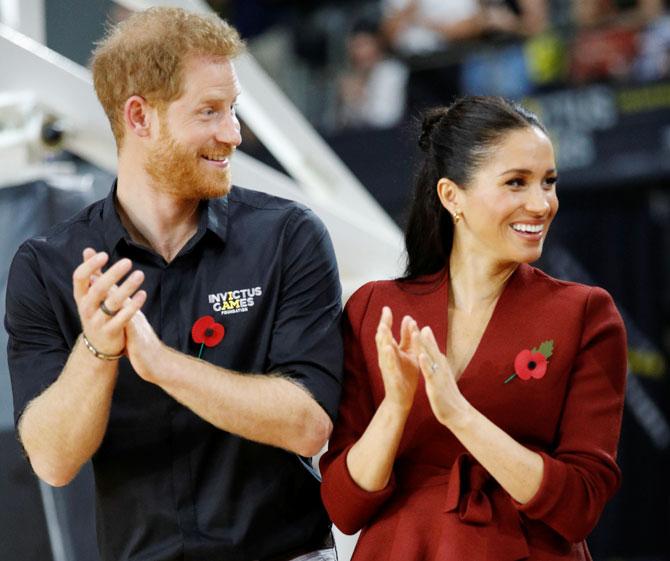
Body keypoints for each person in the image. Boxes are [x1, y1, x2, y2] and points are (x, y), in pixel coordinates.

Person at [5, 7, 342, 561]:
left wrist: (161, 364)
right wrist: (97, 349)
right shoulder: (48, 266)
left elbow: (308, 426)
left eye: (232, 109)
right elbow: (52, 460)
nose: (232, 133)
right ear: (140, 117)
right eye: (209, 111)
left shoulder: (288, 236)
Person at [320, 96, 627, 560]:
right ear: (451, 196)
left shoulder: (585, 314)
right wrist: (397, 406)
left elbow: (581, 504)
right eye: (516, 183)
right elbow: (343, 506)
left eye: (548, 182)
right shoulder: (374, 308)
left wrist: (460, 415)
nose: (541, 203)